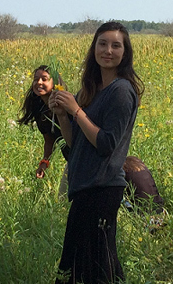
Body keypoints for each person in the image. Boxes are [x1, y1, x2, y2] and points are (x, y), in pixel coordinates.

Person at [49, 21, 143, 284]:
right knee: (87, 262)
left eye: (116, 45)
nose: (108, 51)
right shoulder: (91, 89)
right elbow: (76, 143)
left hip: (103, 186)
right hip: (85, 185)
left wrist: (76, 110)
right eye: (102, 44)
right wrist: (63, 116)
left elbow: (106, 143)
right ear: (94, 48)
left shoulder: (122, 91)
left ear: (125, 53)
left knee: (95, 264)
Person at [18, 65, 70, 195]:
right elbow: (49, 139)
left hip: (85, 159)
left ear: (55, 84)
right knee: (64, 199)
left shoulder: (66, 104)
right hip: (72, 160)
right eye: (36, 79)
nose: (39, 82)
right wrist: (44, 162)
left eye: (44, 79)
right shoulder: (40, 109)